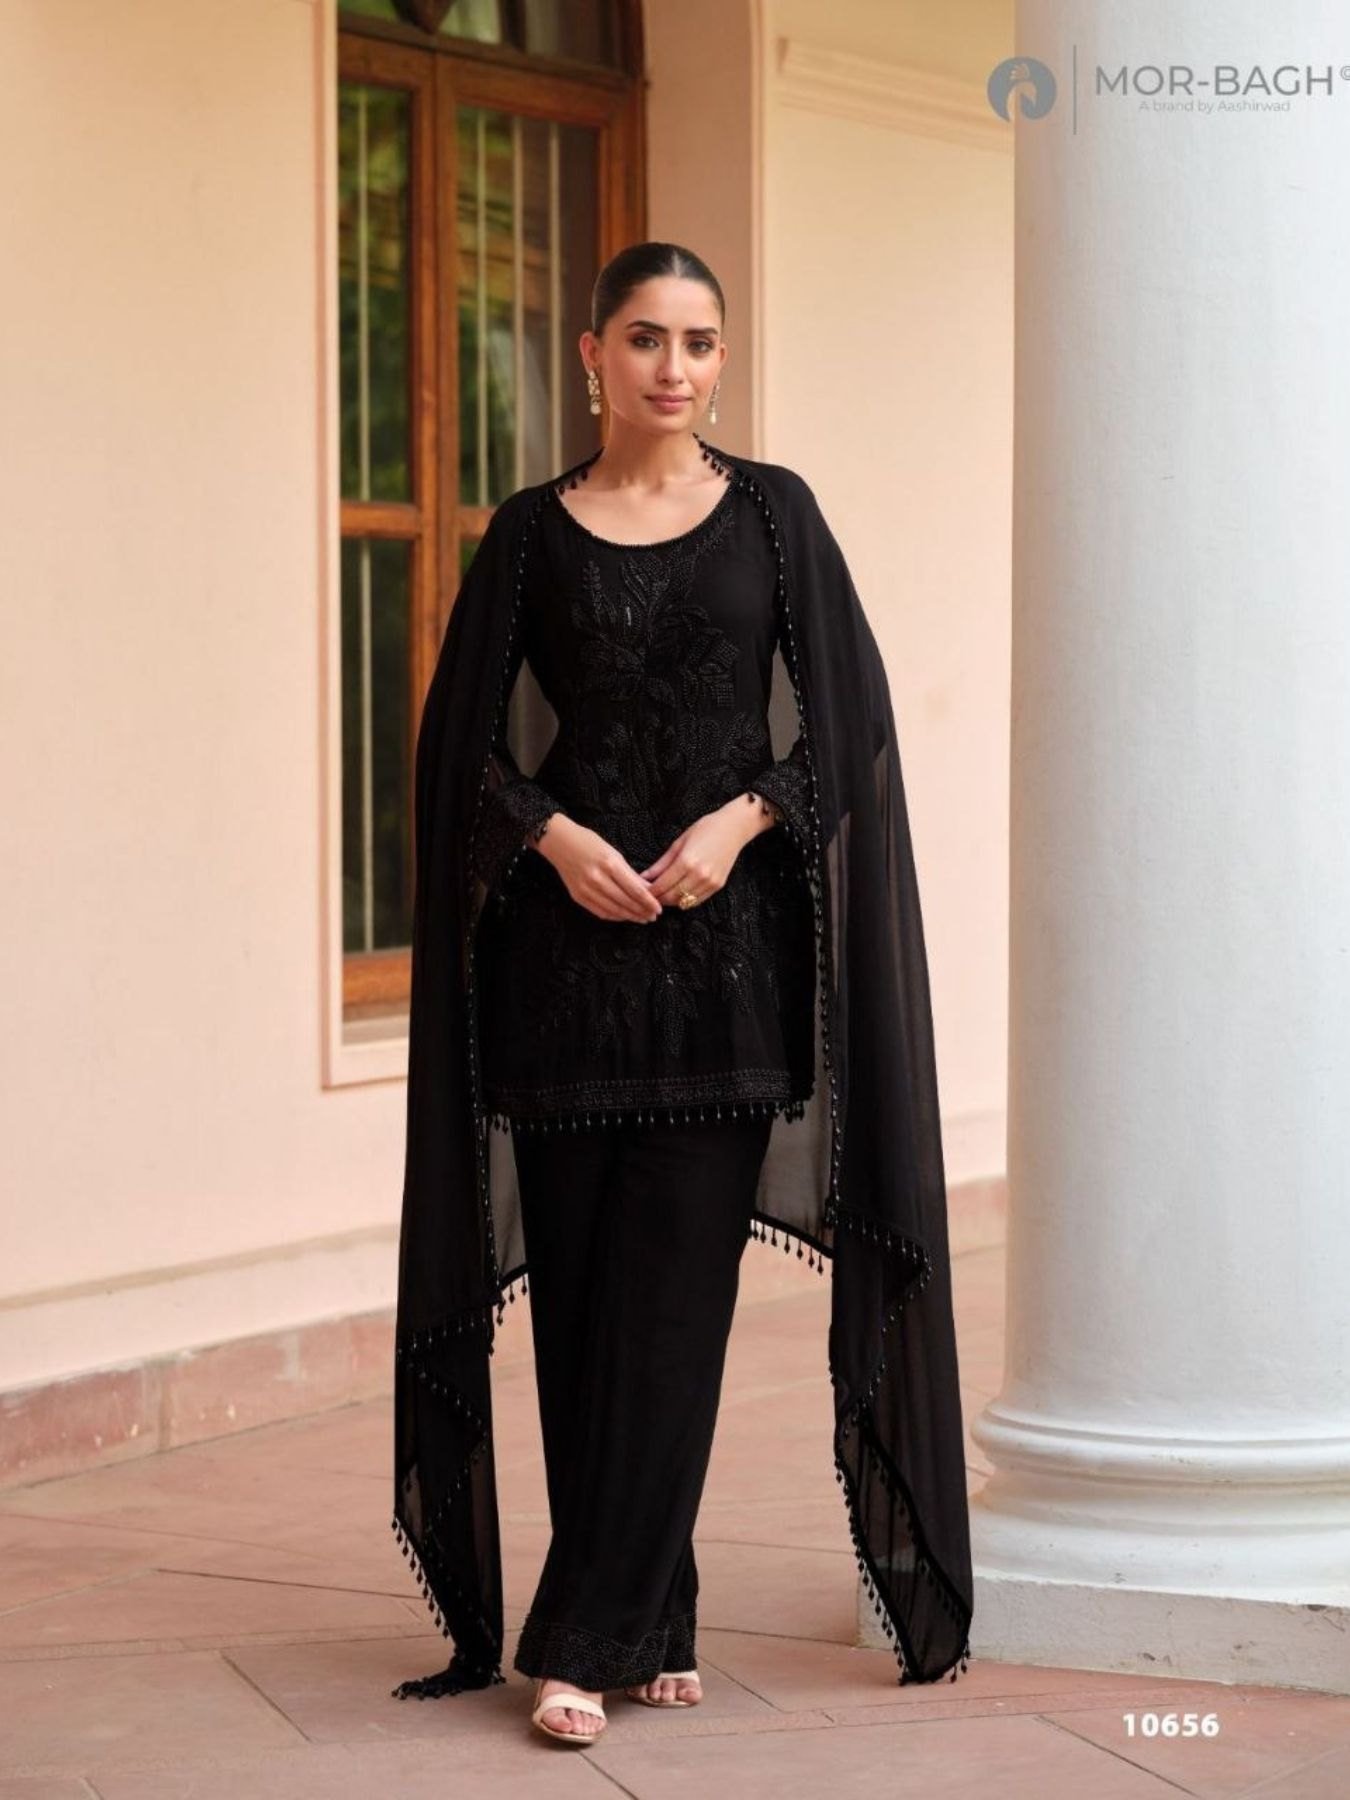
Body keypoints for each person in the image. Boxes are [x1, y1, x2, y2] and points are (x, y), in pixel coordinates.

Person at [390, 243, 974, 1745]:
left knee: (670, 1315)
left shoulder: (776, 515)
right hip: (565, 976)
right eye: (645, 338)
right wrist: (551, 835)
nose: (675, 367)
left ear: (721, 359)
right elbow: (457, 756)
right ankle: (655, 1613)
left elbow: (851, 727)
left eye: (700, 341)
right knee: (586, 1316)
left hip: (723, 977)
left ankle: (577, 1640)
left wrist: (742, 818)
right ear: (592, 353)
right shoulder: (529, 535)